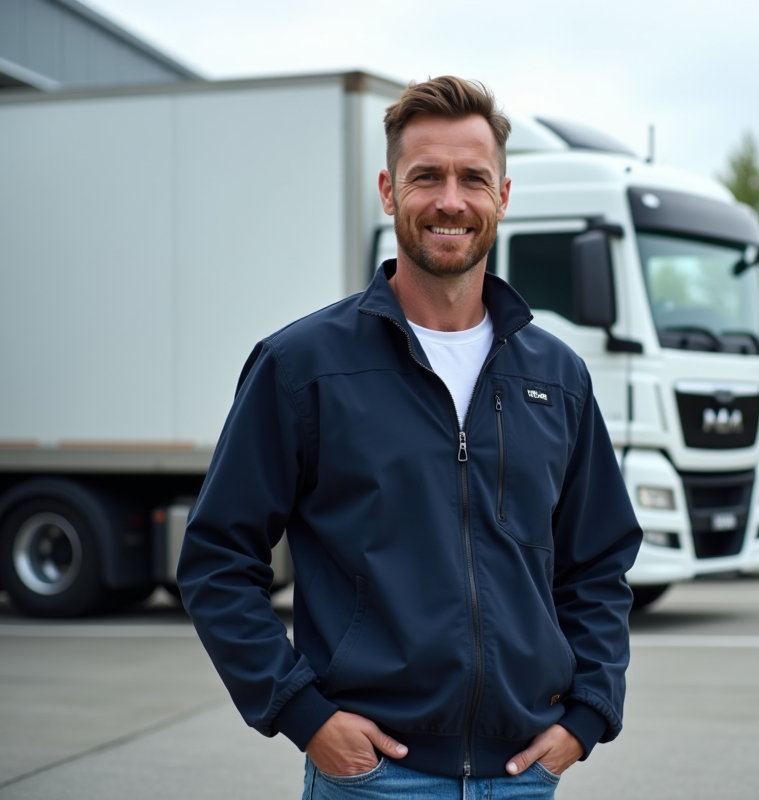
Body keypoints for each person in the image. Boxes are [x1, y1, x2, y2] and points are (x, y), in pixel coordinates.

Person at [178, 75, 642, 798]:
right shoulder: (303, 368)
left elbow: (599, 566)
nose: (451, 200)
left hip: (523, 777)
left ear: (504, 196)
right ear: (390, 191)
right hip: (372, 779)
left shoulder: (559, 377)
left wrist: (587, 716)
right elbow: (217, 559)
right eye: (427, 176)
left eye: (472, 179)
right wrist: (304, 716)